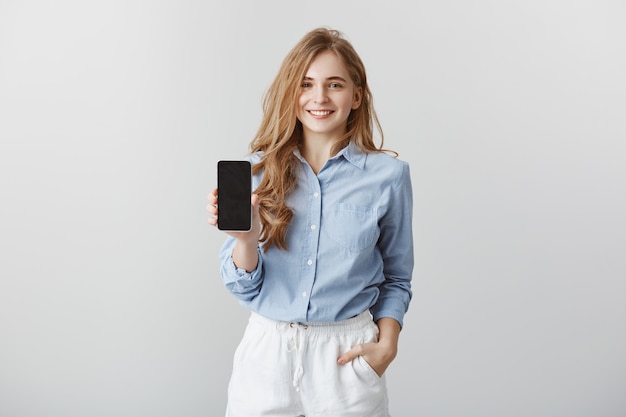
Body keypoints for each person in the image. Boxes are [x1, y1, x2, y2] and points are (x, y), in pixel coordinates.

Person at [207, 26, 414, 417]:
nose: (319, 97)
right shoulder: (257, 173)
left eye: (334, 84)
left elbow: (398, 277)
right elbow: (241, 287)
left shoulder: (389, 176)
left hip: (345, 359)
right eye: (306, 84)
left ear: (356, 96)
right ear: (292, 93)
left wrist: (387, 345)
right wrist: (246, 240)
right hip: (266, 356)